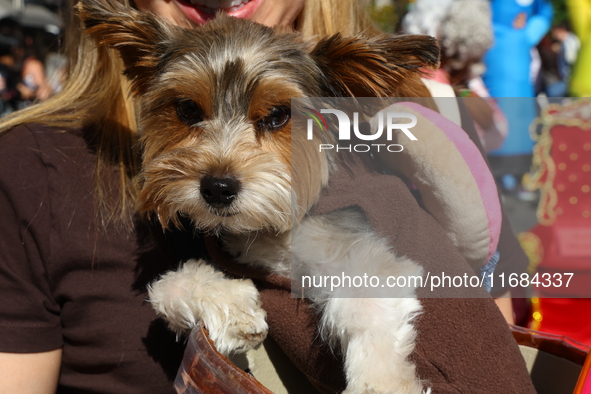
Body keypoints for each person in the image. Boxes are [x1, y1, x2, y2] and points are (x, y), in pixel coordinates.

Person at [0, 0, 534, 393]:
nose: (222, 166)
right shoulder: (30, 170)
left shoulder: (417, 142)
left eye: (275, 118)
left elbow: (490, 347)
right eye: (189, 112)